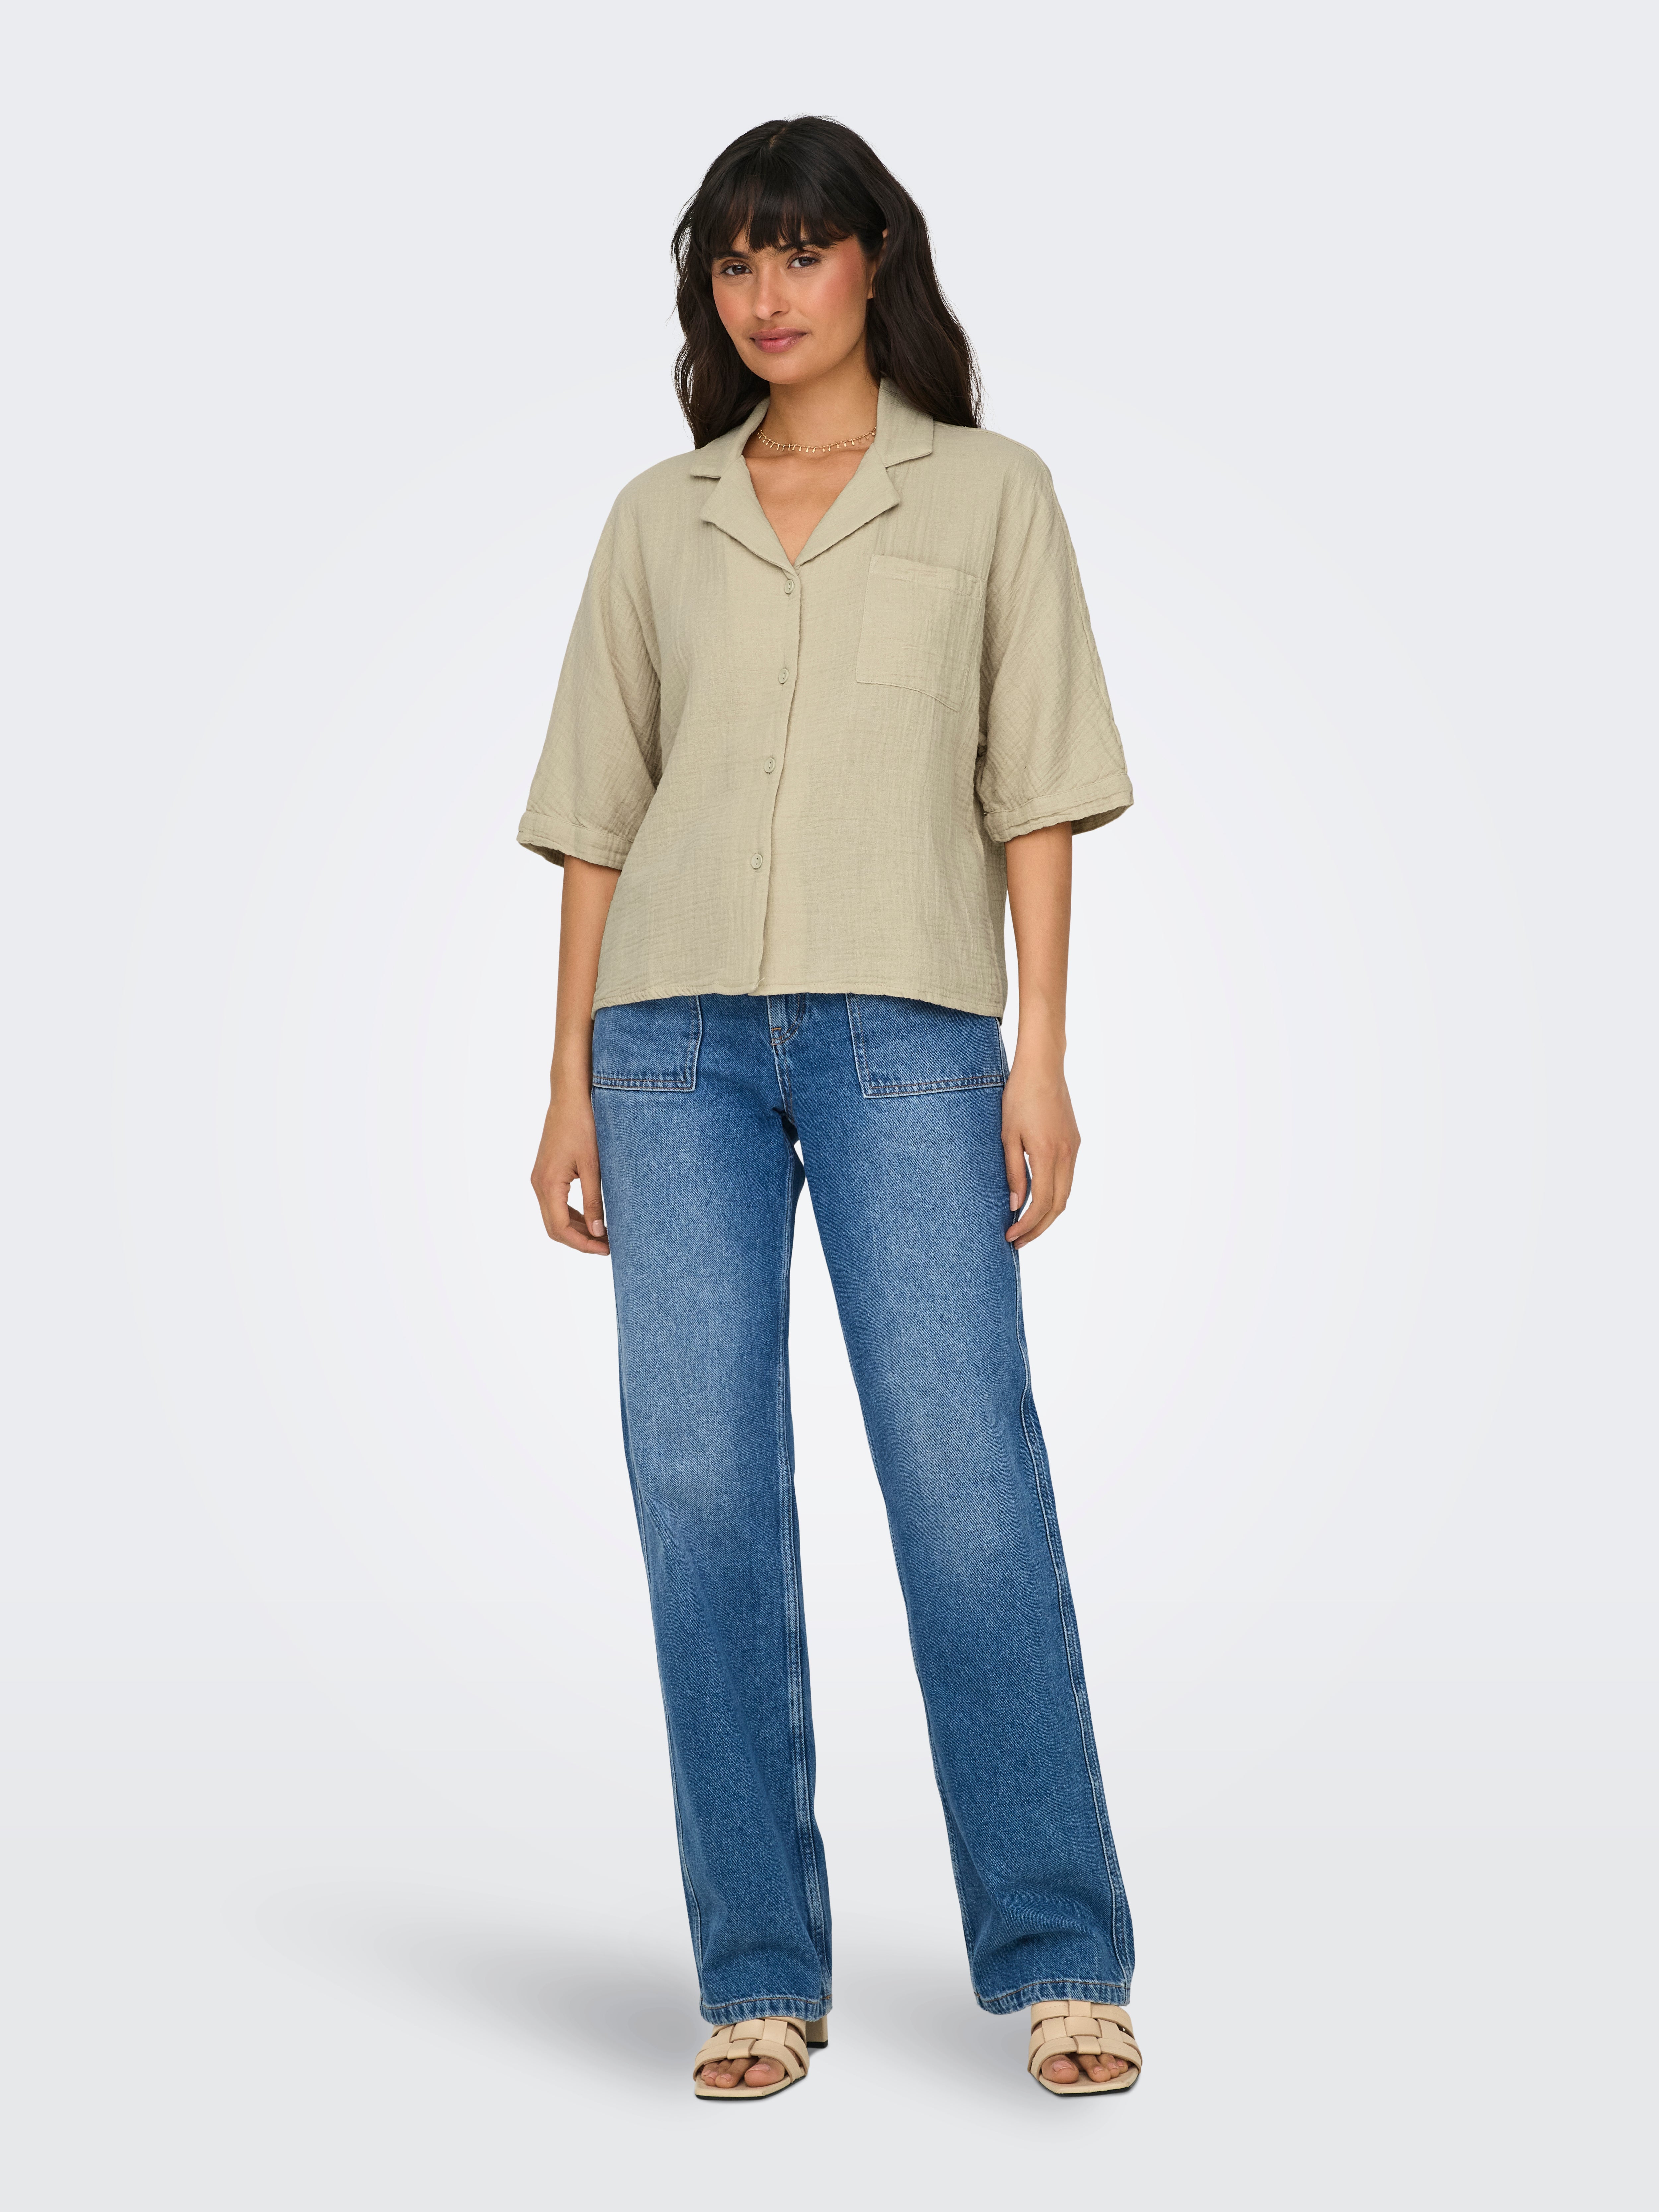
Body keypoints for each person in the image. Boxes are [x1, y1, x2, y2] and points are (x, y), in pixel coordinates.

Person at [520, 115, 1141, 2102]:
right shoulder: (660, 520)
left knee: (964, 1475)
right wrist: (567, 1082)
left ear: (879, 258)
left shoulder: (992, 496)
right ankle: (756, 1976)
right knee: (699, 1488)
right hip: (672, 1040)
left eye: (800, 251)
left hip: (911, 1031)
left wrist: (1042, 1056)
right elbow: (598, 815)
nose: (767, 293)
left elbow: (1035, 789)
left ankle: (1061, 1954)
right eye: (733, 261)